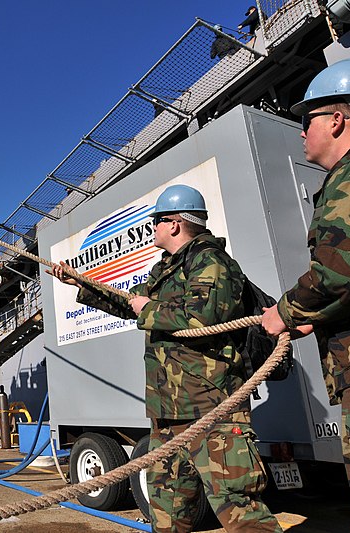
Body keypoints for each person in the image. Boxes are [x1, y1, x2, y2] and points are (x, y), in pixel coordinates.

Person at [48, 185, 281, 533]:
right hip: (168, 411)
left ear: (174, 224)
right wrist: (78, 283)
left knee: (239, 510)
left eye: (154, 222)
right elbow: (128, 303)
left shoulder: (212, 261)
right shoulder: (166, 270)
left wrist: (150, 309)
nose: (151, 229)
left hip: (210, 408)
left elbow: (205, 317)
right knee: (168, 509)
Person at [261, 57, 350, 533]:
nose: (301, 132)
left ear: (337, 119)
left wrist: (284, 314)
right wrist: (318, 317)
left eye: (306, 120)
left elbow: (343, 269)